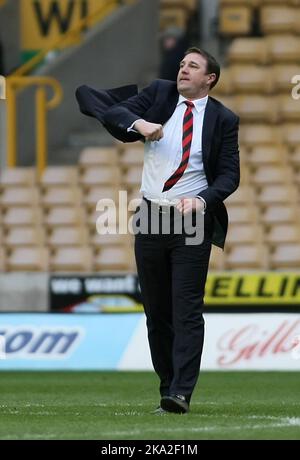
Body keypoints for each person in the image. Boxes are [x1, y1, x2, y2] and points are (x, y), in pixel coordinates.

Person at [76, 47, 240, 414]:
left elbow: (231, 174)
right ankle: (167, 387)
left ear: (209, 79)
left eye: (193, 66)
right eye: (182, 63)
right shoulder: (160, 93)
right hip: (150, 217)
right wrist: (139, 124)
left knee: (187, 310)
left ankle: (181, 392)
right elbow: (90, 95)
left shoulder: (224, 119)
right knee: (157, 312)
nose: (183, 69)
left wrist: (204, 199)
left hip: (193, 220)